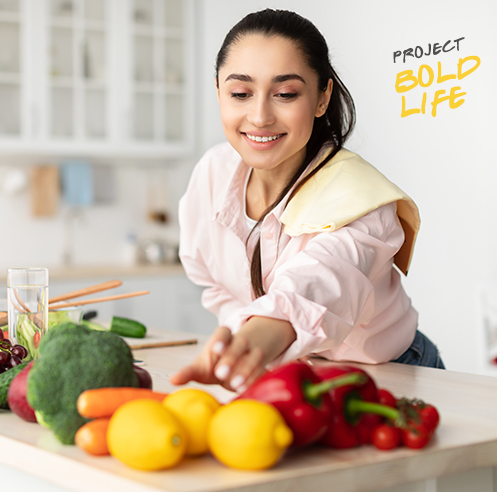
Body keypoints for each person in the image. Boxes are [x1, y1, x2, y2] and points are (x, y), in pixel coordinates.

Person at [170, 9, 444, 393]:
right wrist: (242, 342)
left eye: (285, 94)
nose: (260, 116)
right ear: (218, 93)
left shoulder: (361, 197)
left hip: (388, 375)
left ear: (321, 98)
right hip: (290, 376)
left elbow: (321, 283)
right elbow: (215, 285)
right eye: (240, 94)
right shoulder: (213, 172)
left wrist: (257, 338)